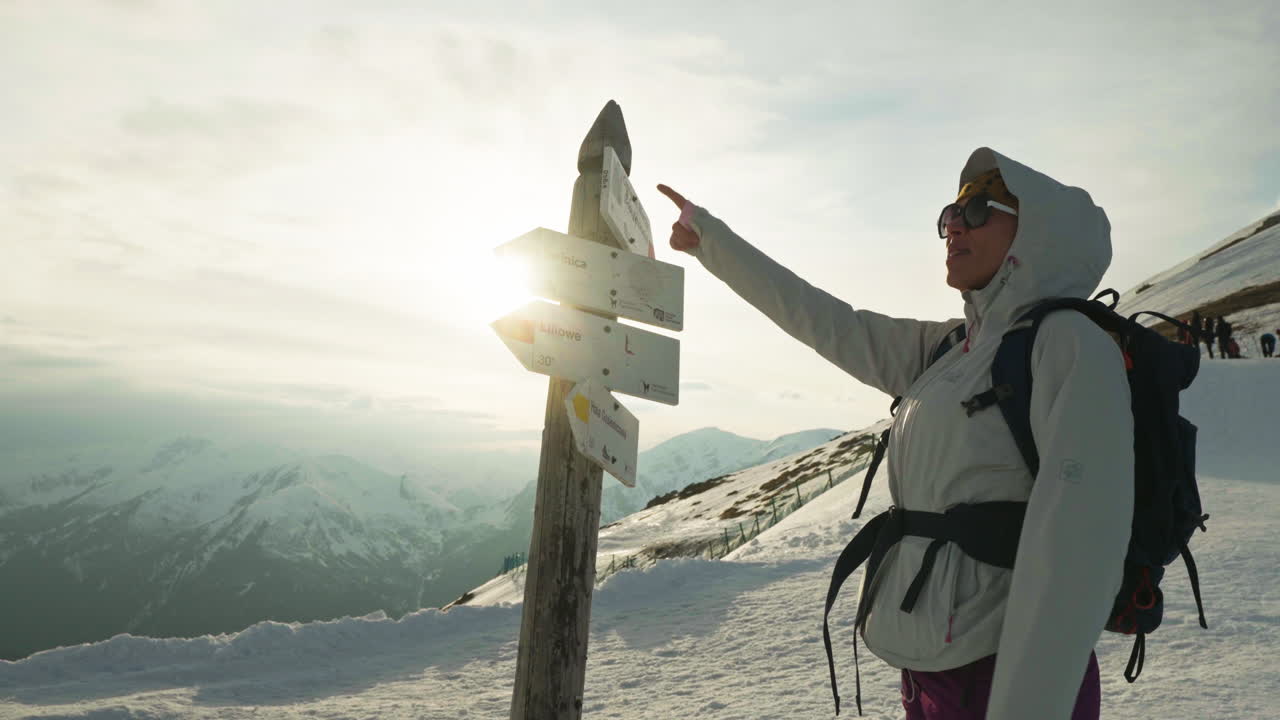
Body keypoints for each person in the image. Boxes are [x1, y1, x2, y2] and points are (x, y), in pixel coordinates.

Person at [658, 148, 1131, 720]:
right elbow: (827, 321)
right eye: (949, 215)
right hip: (931, 668)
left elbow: (1078, 551)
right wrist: (713, 242)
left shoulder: (1068, 345)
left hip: (1008, 675)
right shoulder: (950, 350)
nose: (953, 225)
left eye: (978, 209)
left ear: (1036, 235)